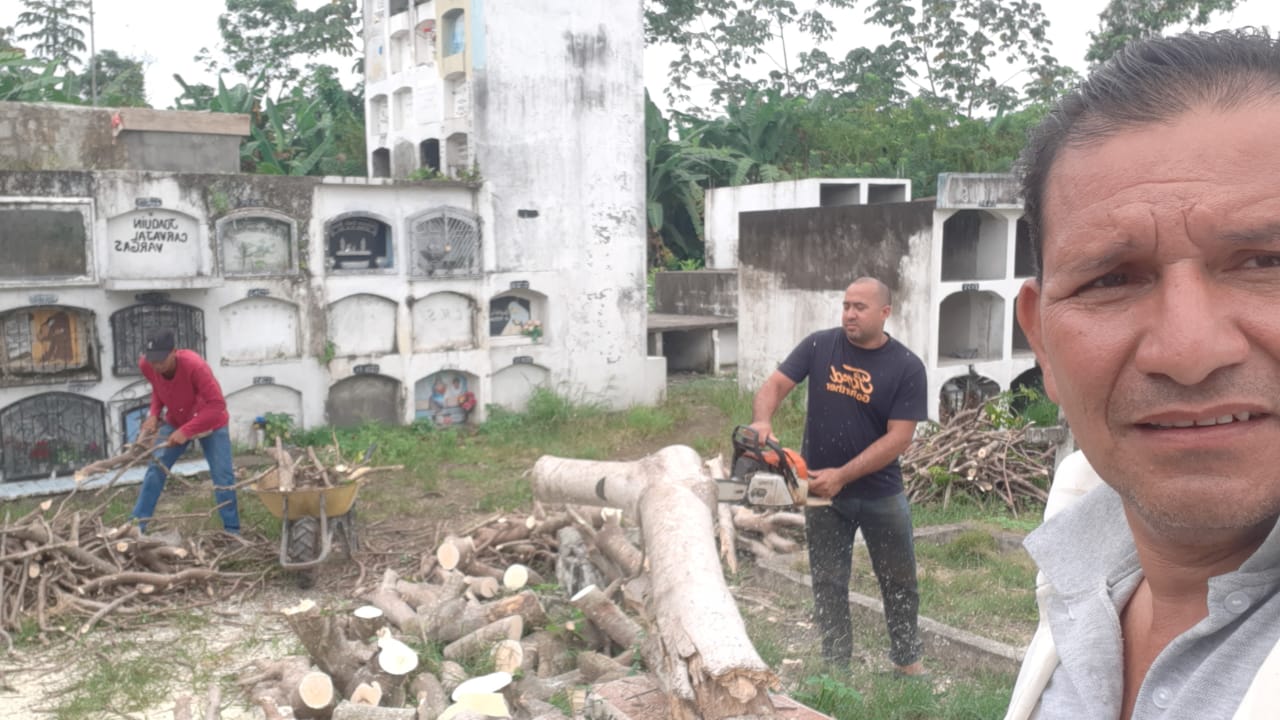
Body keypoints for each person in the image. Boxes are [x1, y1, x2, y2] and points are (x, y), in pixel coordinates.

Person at [1005, 29, 1280, 720]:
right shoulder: (1083, 561)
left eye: (1264, 263)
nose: (1188, 351)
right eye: (1111, 279)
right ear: (1042, 343)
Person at [749, 277, 928, 677]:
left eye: (860, 307)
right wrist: (762, 420)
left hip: (881, 493)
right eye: (846, 305)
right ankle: (836, 669)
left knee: (899, 581)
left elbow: (899, 437)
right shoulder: (819, 346)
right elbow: (775, 385)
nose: (849, 314)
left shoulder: (906, 366)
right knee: (828, 581)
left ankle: (907, 661)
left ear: (885, 312)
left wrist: (843, 475)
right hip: (820, 490)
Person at [131, 329, 240, 534]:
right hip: (176, 419)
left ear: (174, 352)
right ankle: (135, 526)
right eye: (153, 360)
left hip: (211, 422)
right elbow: (158, 388)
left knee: (223, 477)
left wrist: (186, 431)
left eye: (161, 360)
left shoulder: (195, 366)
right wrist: (153, 414)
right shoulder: (147, 365)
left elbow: (217, 405)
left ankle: (232, 531)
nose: (157, 365)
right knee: (155, 469)